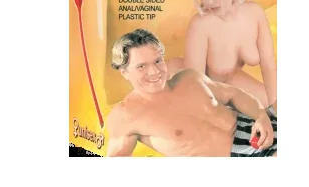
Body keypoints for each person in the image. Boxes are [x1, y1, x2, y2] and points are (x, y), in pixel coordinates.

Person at [106, 29, 277, 157]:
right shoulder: (125, 115)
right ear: (124, 72)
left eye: (157, 61)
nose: (154, 71)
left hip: (258, 126)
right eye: (141, 66)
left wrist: (261, 116)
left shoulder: (189, 78)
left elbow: (233, 94)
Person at [168, 0, 277, 110]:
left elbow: (269, 67)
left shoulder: (255, 13)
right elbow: (195, 87)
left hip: (228, 82)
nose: (208, 2)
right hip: (181, 82)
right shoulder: (200, 25)